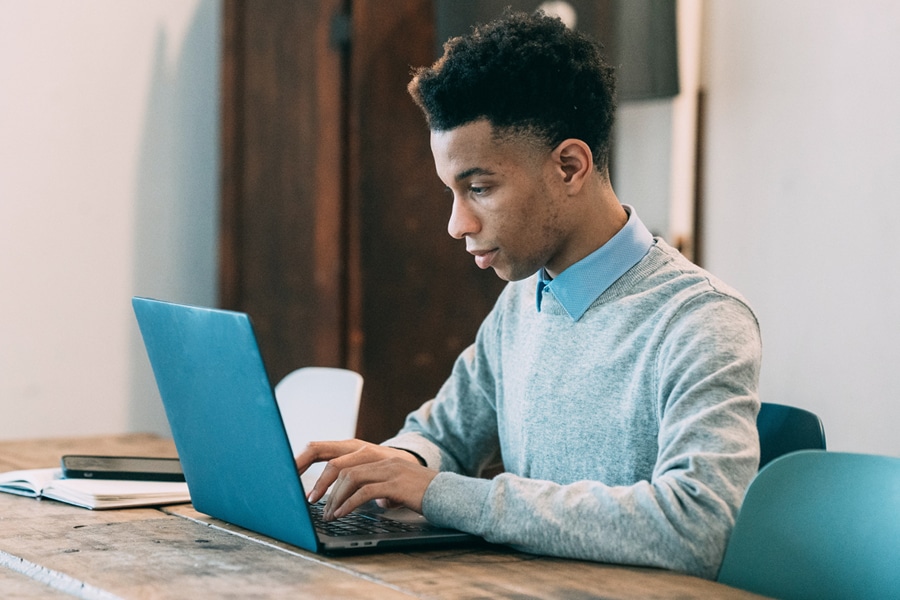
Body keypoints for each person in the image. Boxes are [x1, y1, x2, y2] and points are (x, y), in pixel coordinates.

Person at [295, 10, 761, 580]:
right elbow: (442, 435)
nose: (455, 224)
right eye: (452, 191)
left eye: (480, 188)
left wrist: (442, 493)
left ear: (569, 166)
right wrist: (395, 464)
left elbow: (698, 527)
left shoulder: (702, 321)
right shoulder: (522, 300)